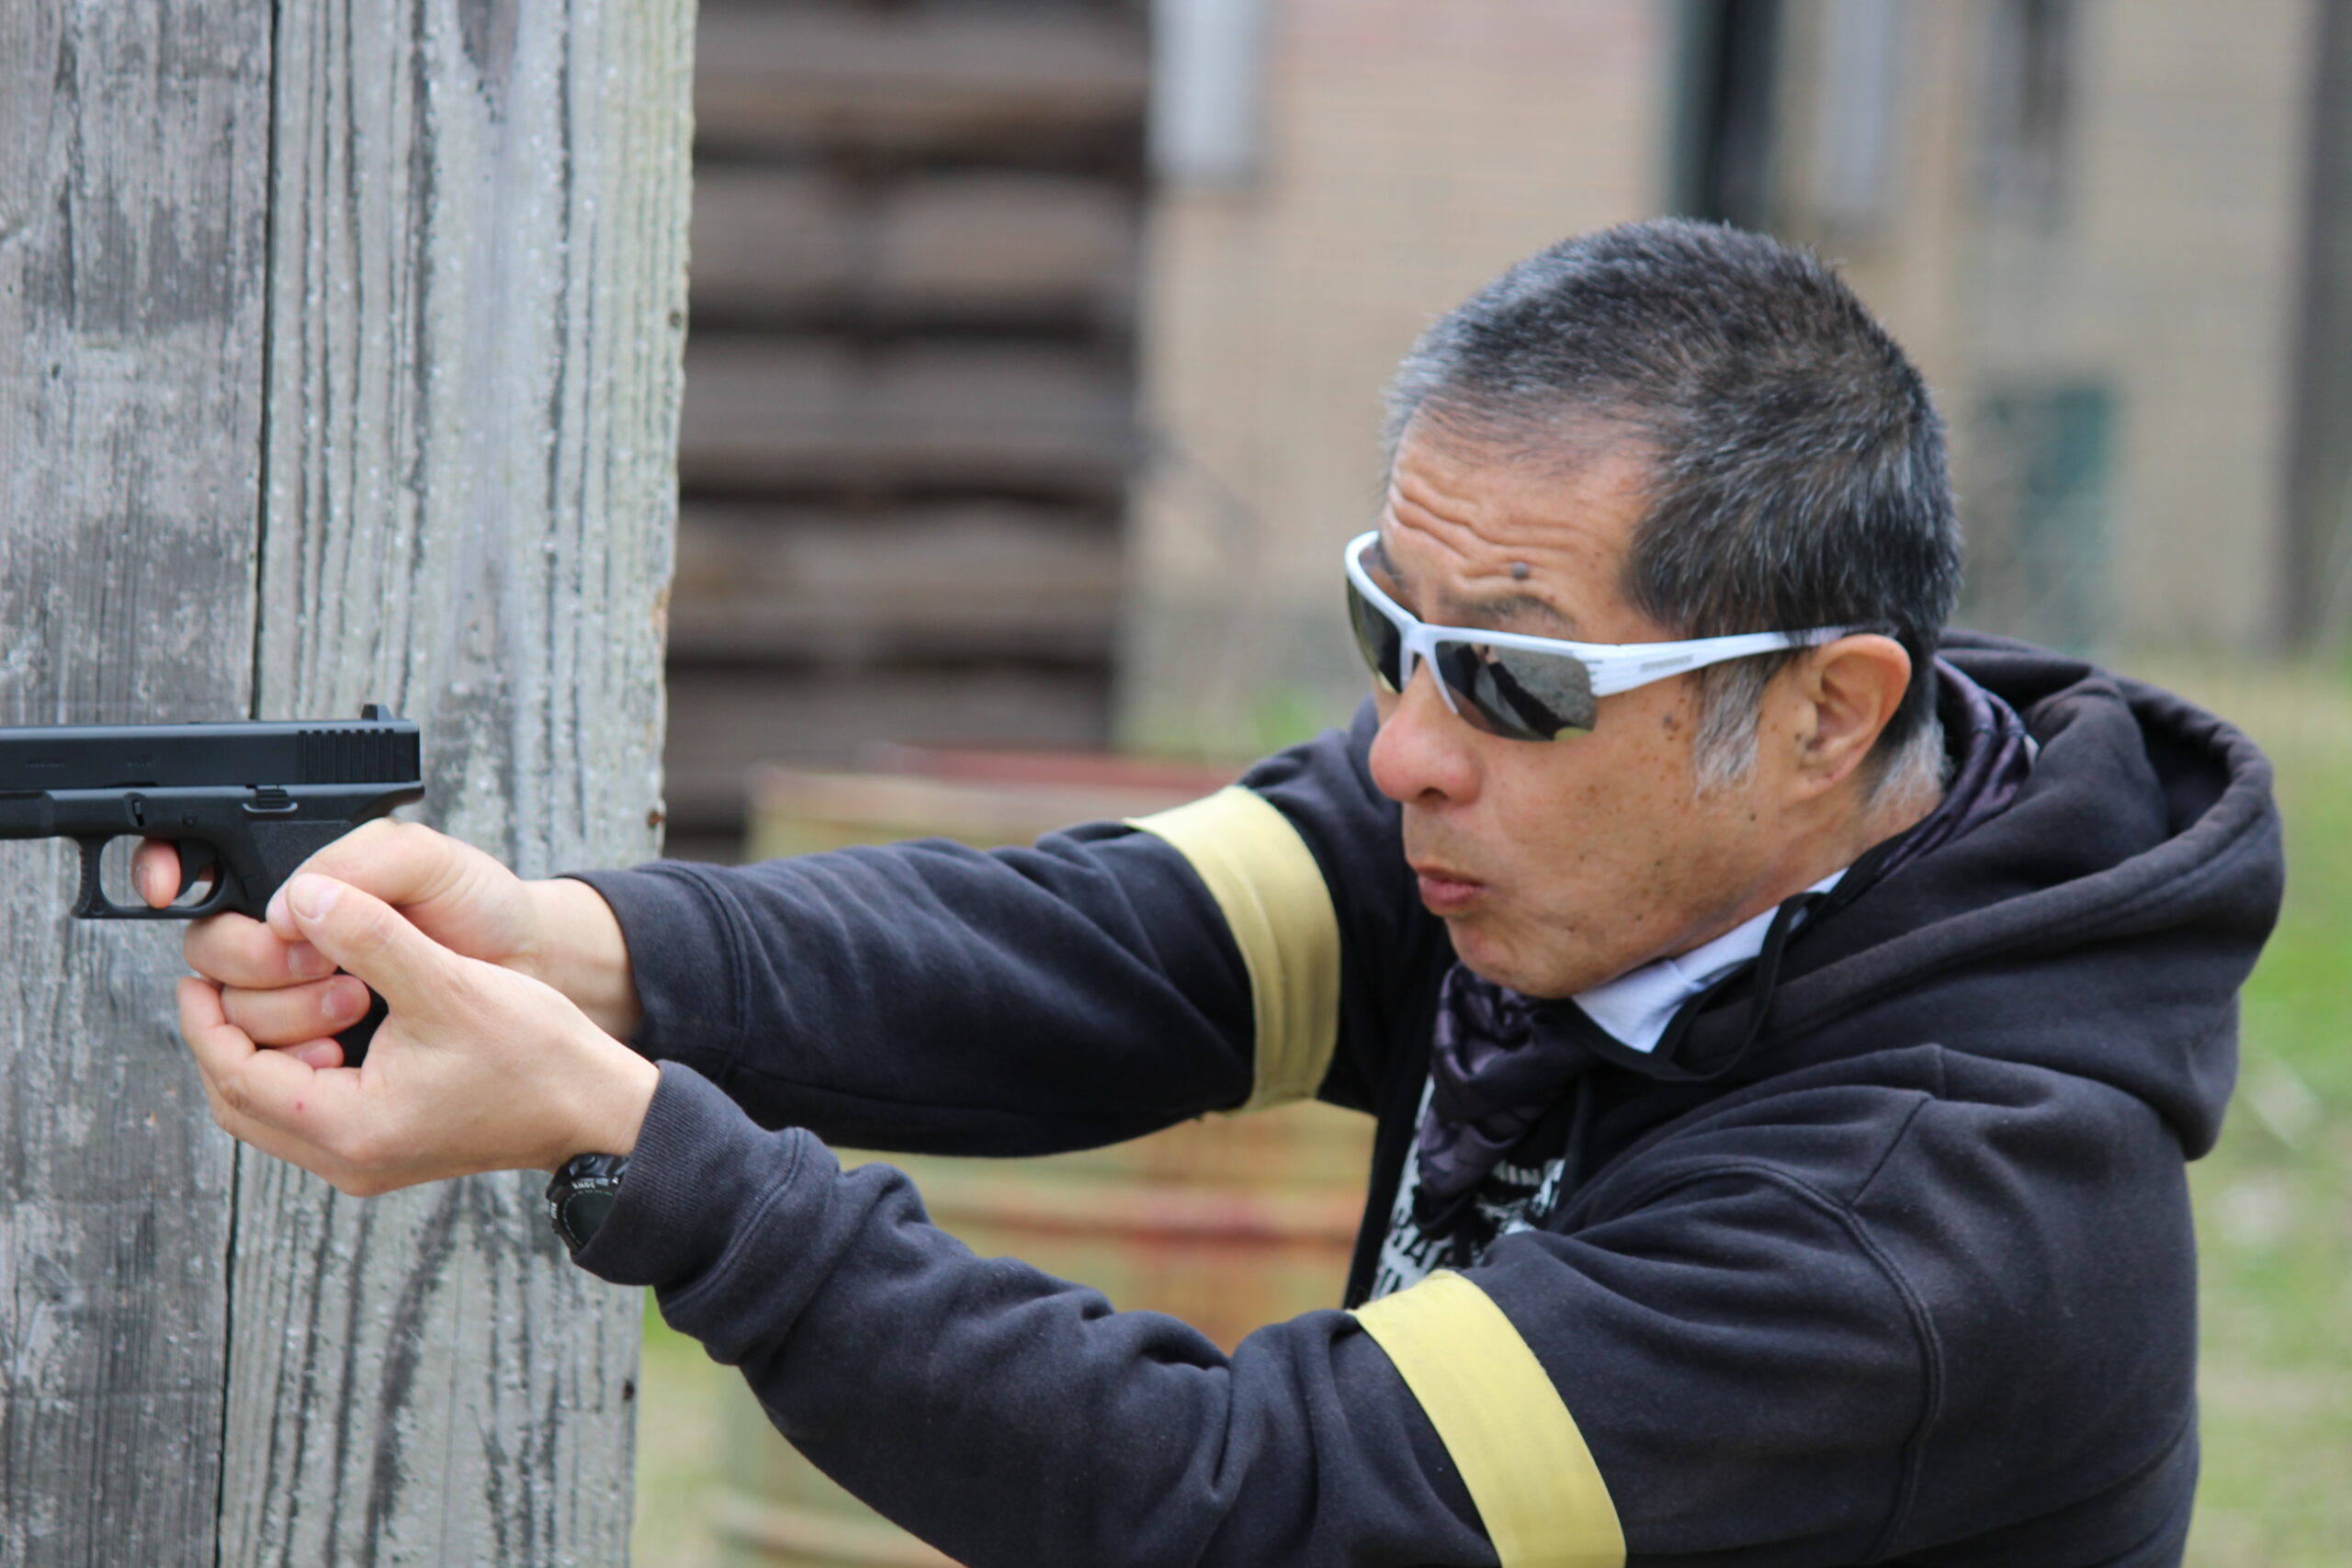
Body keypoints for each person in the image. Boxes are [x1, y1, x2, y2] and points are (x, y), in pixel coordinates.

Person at [144, 220, 2282, 1567]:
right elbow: (1099, 951)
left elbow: (1245, 1500)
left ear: (1825, 710)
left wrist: (637, 1145)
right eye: (1389, 628)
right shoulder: (1575, 837)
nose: (1405, 744)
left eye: (1513, 675)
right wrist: (575, 950)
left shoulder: (1917, 1227)